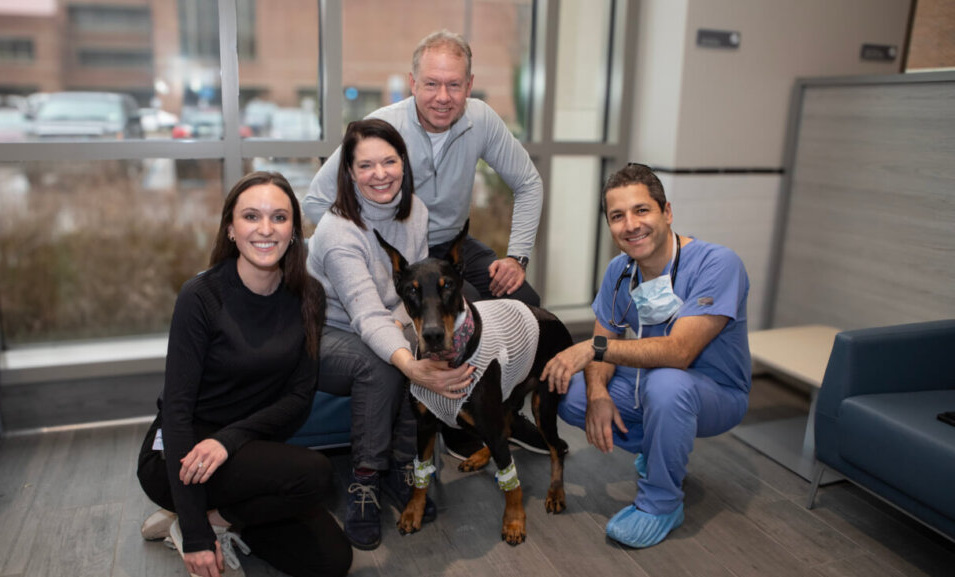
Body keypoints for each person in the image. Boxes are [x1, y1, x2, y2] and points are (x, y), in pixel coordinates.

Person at [302, 28, 548, 459]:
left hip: (453, 245)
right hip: (398, 249)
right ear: (413, 82)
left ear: (469, 86)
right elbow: (316, 201)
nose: (442, 96)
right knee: (462, 312)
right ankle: (454, 420)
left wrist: (518, 255)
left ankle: (504, 410)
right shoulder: (382, 130)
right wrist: (368, 247)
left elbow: (528, 182)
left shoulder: (482, 120)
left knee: (526, 304)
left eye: (454, 84)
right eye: (431, 83)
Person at [136, 171, 352, 577]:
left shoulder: (309, 296)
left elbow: (298, 398)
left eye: (279, 217)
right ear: (231, 229)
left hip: (243, 449)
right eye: (251, 216)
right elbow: (177, 411)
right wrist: (199, 541)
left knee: (332, 561)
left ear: (294, 230)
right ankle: (195, 521)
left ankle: (208, 518)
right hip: (180, 456)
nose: (266, 229)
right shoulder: (200, 297)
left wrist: (228, 440)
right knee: (316, 473)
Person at [541, 163, 751, 549]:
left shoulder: (717, 264)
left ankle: (661, 502)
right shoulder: (619, 272)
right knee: (572, 394)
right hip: (650, 386)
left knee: (668, 383)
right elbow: (606, 338)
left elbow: (679, 352)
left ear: (666, 212)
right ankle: (660, 450)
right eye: (617, 216)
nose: (631, 225)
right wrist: (600, 394)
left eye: (642, 210)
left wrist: (592, 348)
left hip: (717, 393)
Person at [307, 118, 475, 550]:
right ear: (348, 173)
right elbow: (364, 316)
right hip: (328, 331)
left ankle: (405, 469)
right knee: (384, 366)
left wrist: (407, 333)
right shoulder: (337, 231)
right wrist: (410, 359)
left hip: (387, 319)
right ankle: (365, 482)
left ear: (404, 163)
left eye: (389, 161)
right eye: (366, 165)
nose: (380, 173)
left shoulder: (414, 210)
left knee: (405, 350)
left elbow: (412, 290)